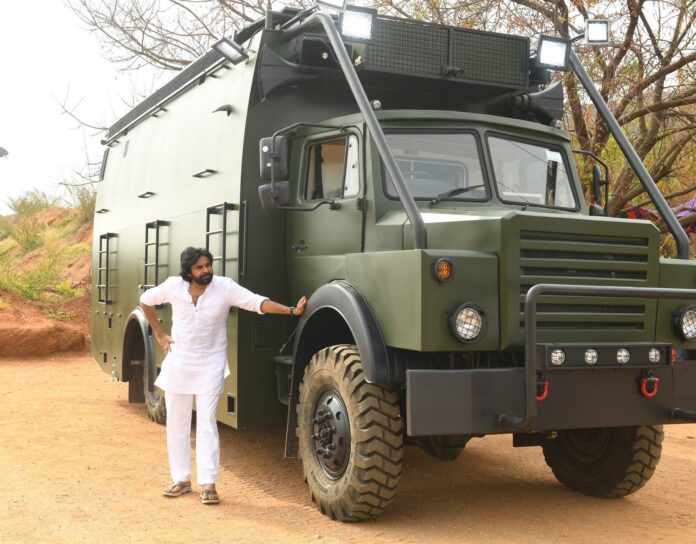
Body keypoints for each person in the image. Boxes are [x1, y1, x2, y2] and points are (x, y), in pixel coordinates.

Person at [140, 247, 307, 505]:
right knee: (177, 421)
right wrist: (160, 334)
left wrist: (291, 311)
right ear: (188, 272)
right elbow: (146, 300)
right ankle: (181, 479)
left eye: (208, 265)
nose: (207, 270)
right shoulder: (173, 286)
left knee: (207, 420)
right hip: (180, 362)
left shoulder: (224, 287)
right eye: (200, 267)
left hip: (210, 363)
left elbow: (257, 302)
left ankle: (208, 482)